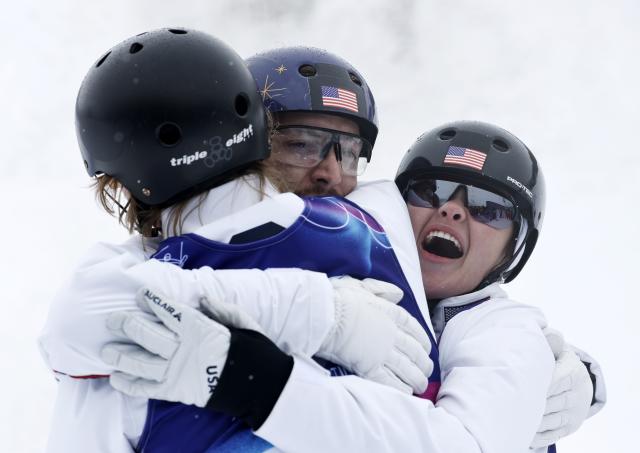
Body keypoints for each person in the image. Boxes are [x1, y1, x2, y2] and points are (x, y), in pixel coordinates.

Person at [39, 34, 604, 452]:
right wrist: (314, 313)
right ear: (249, 147)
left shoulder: (377, 246)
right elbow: (82, 320)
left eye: (349, 152)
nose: (331, 172)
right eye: (302, 144)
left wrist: (568, 374)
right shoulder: (178, 250)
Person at [109, 121, 604, 453]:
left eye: (488, 207)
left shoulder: (503, 328)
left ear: (513, 250)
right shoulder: (335, 248)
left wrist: (254, 383)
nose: (452, 210)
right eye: (430, 190)